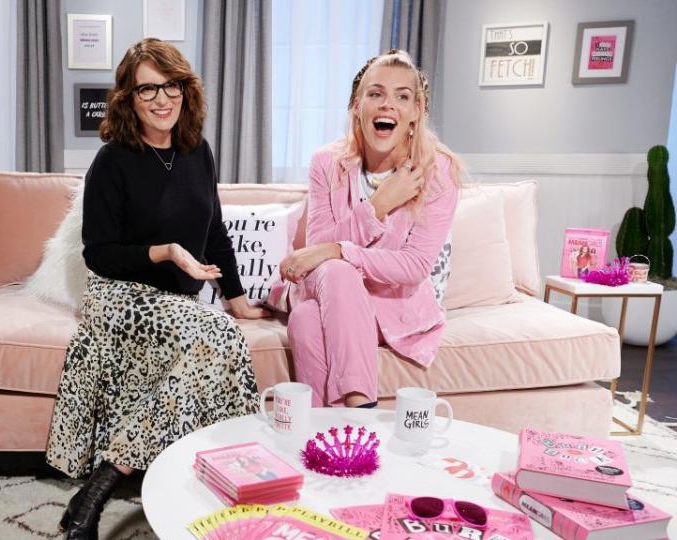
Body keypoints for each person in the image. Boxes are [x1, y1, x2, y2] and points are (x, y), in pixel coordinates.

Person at [46, 38, 269, 540]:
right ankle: (108, 487)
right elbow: (98, 254)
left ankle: (99, 486)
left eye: (171, 86)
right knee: (216, 338)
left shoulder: (197, 151)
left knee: (221, 334)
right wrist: (165, 251)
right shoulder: (112, 160)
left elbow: (213, 232)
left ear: (185, 91)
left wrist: (237, 300)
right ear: (129, 98)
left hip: (175, 303)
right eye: (148, 89)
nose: (162, 99)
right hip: (118, 298)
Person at [272, 49, 464, 409]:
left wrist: (339, 250)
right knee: (336, 273)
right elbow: (318, 255)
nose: (387, 105)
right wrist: (377, 205)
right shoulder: (326, 163)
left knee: (305, 319)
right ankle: (362, 412)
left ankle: (319, 437)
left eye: (402, 97)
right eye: (375, 94)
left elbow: (413, 267)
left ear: (416, 113)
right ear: (357, 107)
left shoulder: (438, 171)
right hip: (327, 286)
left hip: (388, 305)